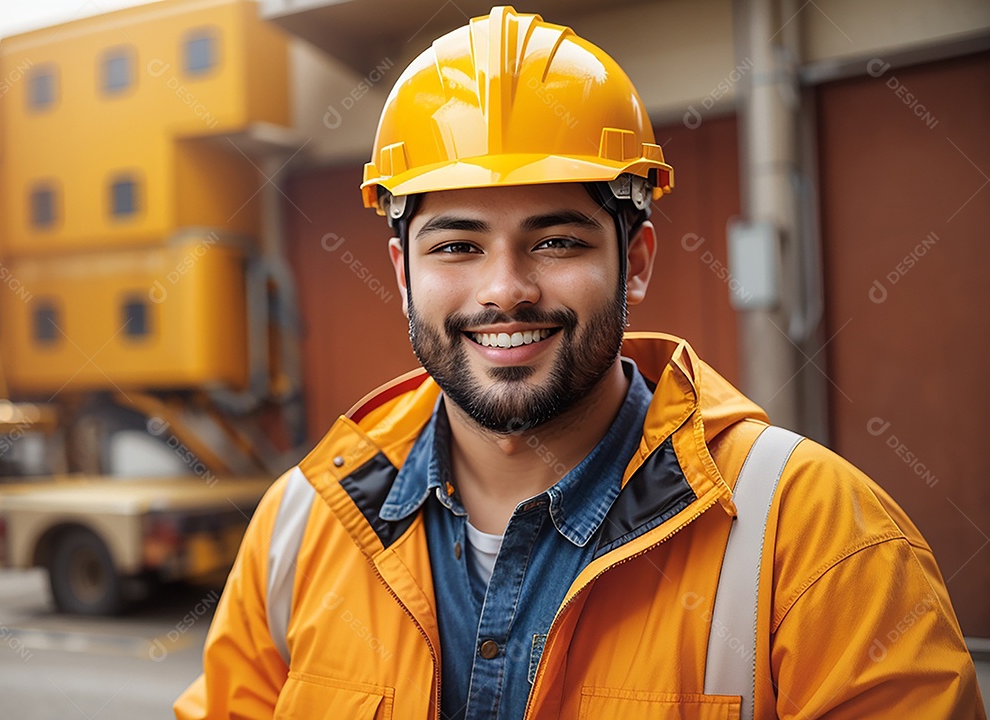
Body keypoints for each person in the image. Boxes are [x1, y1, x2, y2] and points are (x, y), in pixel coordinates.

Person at [174, 7, 984, 719]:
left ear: (635, 262)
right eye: (457, 245)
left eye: (556, 241)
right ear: (401, 272)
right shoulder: (301, 527)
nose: (505, 290)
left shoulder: (819, 539)